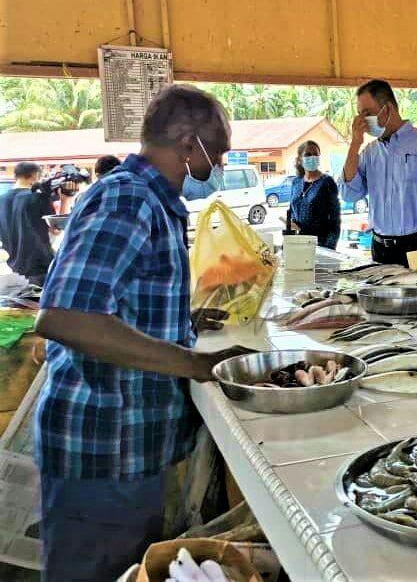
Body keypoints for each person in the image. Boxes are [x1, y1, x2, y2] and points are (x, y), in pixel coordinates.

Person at [34, 84, 251, 582]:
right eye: (214, 152)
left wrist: (183, 322)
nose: (215, 164)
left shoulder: (154, 200)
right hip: (104, 447)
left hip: (132, 446)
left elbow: (117, 300)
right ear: (188, 144)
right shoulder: (128, 199)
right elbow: (66, 316)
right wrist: (193, 363)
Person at [340, 79, 417, 269]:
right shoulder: (369, 152)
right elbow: (349, 193)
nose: (362, 122)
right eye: (359, 115)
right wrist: (355, 143)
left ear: (388, 109)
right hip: (381, 248)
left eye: (368, 114)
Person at [0, 162, 73, 287]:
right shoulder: (38, 197)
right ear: (36, 176)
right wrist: (65, 200)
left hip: (14, 267)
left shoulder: (1, 200)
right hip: (39, 265)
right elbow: (57, 229)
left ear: (16, 176)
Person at [289, 140, 341, 249]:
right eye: (308, 154)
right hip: (298, 244)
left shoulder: (327, 182)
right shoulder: (296, 182)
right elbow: (291, 212)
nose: (312, 157)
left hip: (319, 244)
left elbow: (335, 220)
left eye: (316, 154)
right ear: (300, 159)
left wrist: (329, 248)